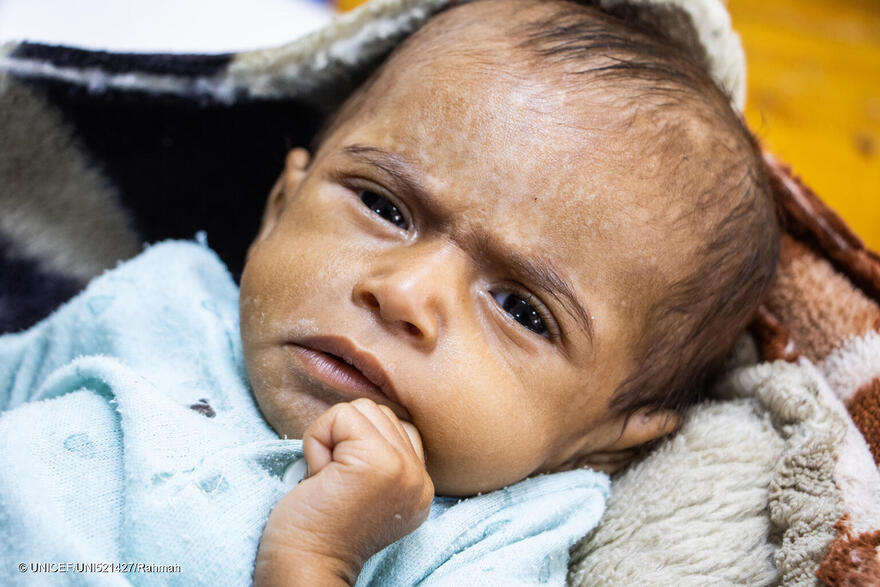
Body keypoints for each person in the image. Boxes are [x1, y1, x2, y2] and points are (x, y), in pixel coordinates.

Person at [0, 0, 778, 584]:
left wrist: (320, 558)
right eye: (383, 206)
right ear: (280, 205)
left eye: (522, 309)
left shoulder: (496, 536)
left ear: (613, 431)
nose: (406, 293)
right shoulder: (159, 296)